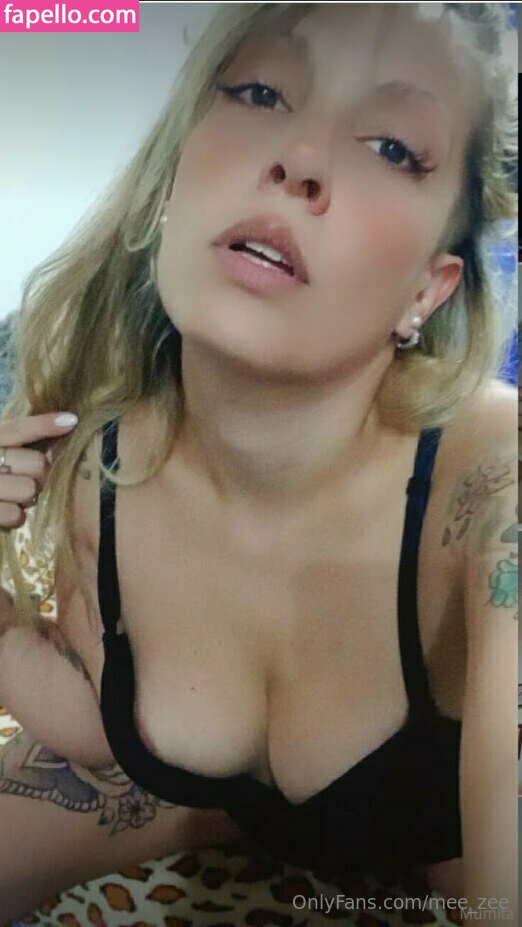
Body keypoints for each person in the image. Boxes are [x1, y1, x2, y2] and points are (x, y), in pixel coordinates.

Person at [0, 2, 517, 923]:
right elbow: (97, 719)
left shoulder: (495, 496)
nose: (301, 156)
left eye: (391, 146)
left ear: (426, 290)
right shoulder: (100, 465)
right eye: (264, 92)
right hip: (202, 814)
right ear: (174, 183)